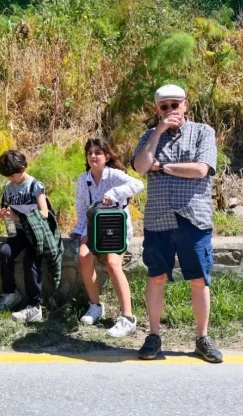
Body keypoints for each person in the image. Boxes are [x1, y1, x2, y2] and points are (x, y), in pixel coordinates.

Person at [132, 84, 223, 363]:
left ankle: (202, 338)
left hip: (193, 217)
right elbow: (139, 166)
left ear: (185, 105)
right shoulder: (149, 136)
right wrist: (158, 132)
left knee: (198, 279)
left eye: (175, 104)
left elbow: (200, 169)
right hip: (158, 218)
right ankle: (154, 335)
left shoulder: (203, 132)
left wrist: (162, 167)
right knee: (156, 277)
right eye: (164, 106)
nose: (170, 110)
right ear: (157, 109)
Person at [71, 137, 144, 337]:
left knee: (113, 264)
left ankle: (128, 317)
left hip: (116, 228)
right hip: (93, 226)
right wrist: (79, 230)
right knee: (83, 257)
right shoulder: (83, 179)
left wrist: (113, 193)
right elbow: (81, 207)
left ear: (107, 156)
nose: (93, 156)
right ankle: (95, 305)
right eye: (90, 153)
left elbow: (138, 184)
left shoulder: (114, 175)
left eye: (98, 153)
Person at [0, 150, 50, 323]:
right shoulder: (8, 188)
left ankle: (35, 305)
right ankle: (11, 294)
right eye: (8, 176)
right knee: (5, 253)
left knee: (30, 262)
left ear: (24, 167)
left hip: (35, 233)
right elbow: (8, 211)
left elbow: (44, 213)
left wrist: (18, 217)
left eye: (14, 174)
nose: (11, 178)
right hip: (18, 233)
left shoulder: (35, 186)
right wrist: (5, 218)